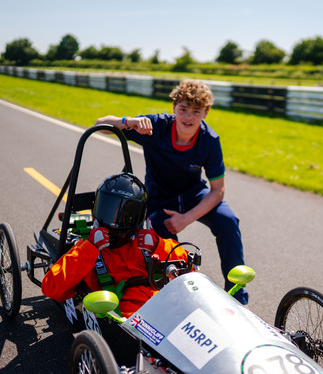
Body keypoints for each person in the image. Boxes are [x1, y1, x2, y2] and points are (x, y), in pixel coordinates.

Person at [94, 79, 248, 304]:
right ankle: (180, 299)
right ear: (174, 107)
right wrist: (128, 121)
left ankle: (238, 297)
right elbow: (101, 123)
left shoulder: (210, 140)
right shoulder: (155, 126)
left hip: (193, 194)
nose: (188, 117)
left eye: (196, 111)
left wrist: (186, 219)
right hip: (160, 198)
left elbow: (217, 191)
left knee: (228, 220)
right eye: (183, 109)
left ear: (206, 113)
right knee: (166, 246)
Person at [41, 172, 191, 318]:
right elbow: (51, 288)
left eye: (123, 215)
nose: (114, 220)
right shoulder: (85, 250)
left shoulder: (146, 243)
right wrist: (90, 248)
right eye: (108, 210)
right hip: (131, 320)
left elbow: (190, 269)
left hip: (166, 307)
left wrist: (158, 245)